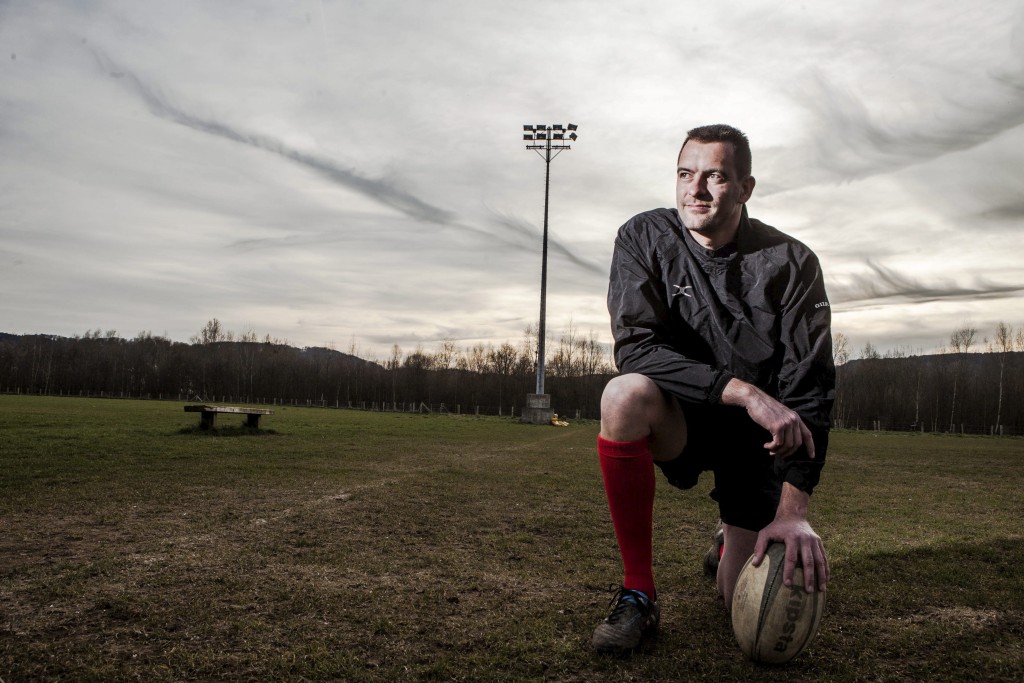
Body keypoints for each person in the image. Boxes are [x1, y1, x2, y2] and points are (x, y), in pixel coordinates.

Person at [592, 124, 835, 655]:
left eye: (714, 177)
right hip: (682, 418)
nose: (695, 190)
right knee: (622, 394)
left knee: (740, 608)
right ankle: (638, 592)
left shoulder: (791, 264)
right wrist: (745, 392)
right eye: (685, 174)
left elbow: (811, 391)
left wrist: (793, 513)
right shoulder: (644, 237)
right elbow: (635, 348)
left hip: (754, 443)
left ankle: (731, 534)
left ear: (745, 188)